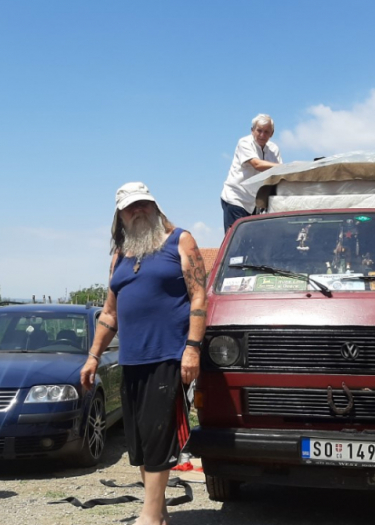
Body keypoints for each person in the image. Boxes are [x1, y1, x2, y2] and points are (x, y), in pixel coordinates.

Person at [81, 182, 207, 525]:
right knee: (137, 442)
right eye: (129, 207)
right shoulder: (119, 256)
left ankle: (149, 517)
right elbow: (110, 313)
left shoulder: (179, 240)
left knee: (157, 437)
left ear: (154, 206)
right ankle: (160, 513)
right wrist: (93, 355)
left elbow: (198, 296)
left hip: (168, 357)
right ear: (120, 216)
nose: (137, 211)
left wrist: (193, 349)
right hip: (131, 360)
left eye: (142, 204)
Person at [220, 113, 283, 232]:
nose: (262, 135)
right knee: (237, 241)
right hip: (237, 198)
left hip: (256, 204)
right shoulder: (244, 143)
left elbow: (278, 176)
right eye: (259, 130)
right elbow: (257, 164)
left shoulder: (274, 149)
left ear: (272, 133)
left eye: (266, 132)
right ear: (252, 130)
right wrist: (284, 167)